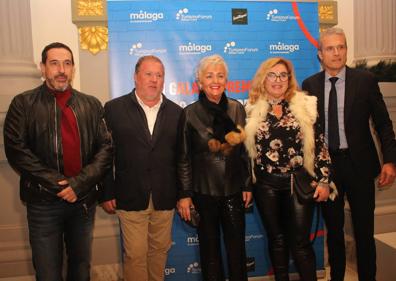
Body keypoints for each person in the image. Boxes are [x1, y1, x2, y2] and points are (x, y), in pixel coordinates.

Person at [3, 42, 113, 281]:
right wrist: (60, 184)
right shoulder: (23, 104)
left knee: (80, 269)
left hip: (82, 203)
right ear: (42, 68)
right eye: (54, 63)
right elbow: (16, 151)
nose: (61, 69)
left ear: (73, 69)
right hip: (43, 203)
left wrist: (79, 185)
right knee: (47, 272)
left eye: (67, 63)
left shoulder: (91, 105)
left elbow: (105, 149)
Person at [302, 27, 396, 281]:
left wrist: (390, 160)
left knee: (364, 232)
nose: (337, 53)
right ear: (320, 54)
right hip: (328, 170)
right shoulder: (309, 85)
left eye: (341, 47)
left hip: (360, 166)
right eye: (330, 48)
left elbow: (383, 124)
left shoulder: (365, 80)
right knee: (334, 232)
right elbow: (307, 133)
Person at [244, 57, 334, 281]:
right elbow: (245, 155)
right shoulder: (250, 108)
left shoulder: (305, 105)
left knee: (301, 243)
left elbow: (320, 144)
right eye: (272, 75)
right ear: (263, 79)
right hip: (265, 185)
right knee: (277, 240)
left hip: (298, 184)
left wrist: (324, 181)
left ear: (289, 79)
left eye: (283, 75)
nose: (278, 80)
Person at [101, 55, 182, 281]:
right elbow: (105, 156)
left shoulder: (177, 113)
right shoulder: (113, 109)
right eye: (148, 74)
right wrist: (107, 192)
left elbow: (182, 158)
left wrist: (184, 194)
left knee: (159, 252)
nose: (154, 80)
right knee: (135, 255)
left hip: (165, 196)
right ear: (136, 77)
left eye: (159, 75)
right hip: (129, 195)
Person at [177, 54, 252, 281]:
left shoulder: (237, 108)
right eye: (209, 76)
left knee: (237, 252)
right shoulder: (189, 113)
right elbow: (183, 158)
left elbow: (245, 152)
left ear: (226, 80)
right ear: (199, 82)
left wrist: (247, 185)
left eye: (220, 75)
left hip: (234, 190)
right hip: (203, 193)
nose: (215, 80)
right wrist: (185, 195)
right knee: (210, 254)